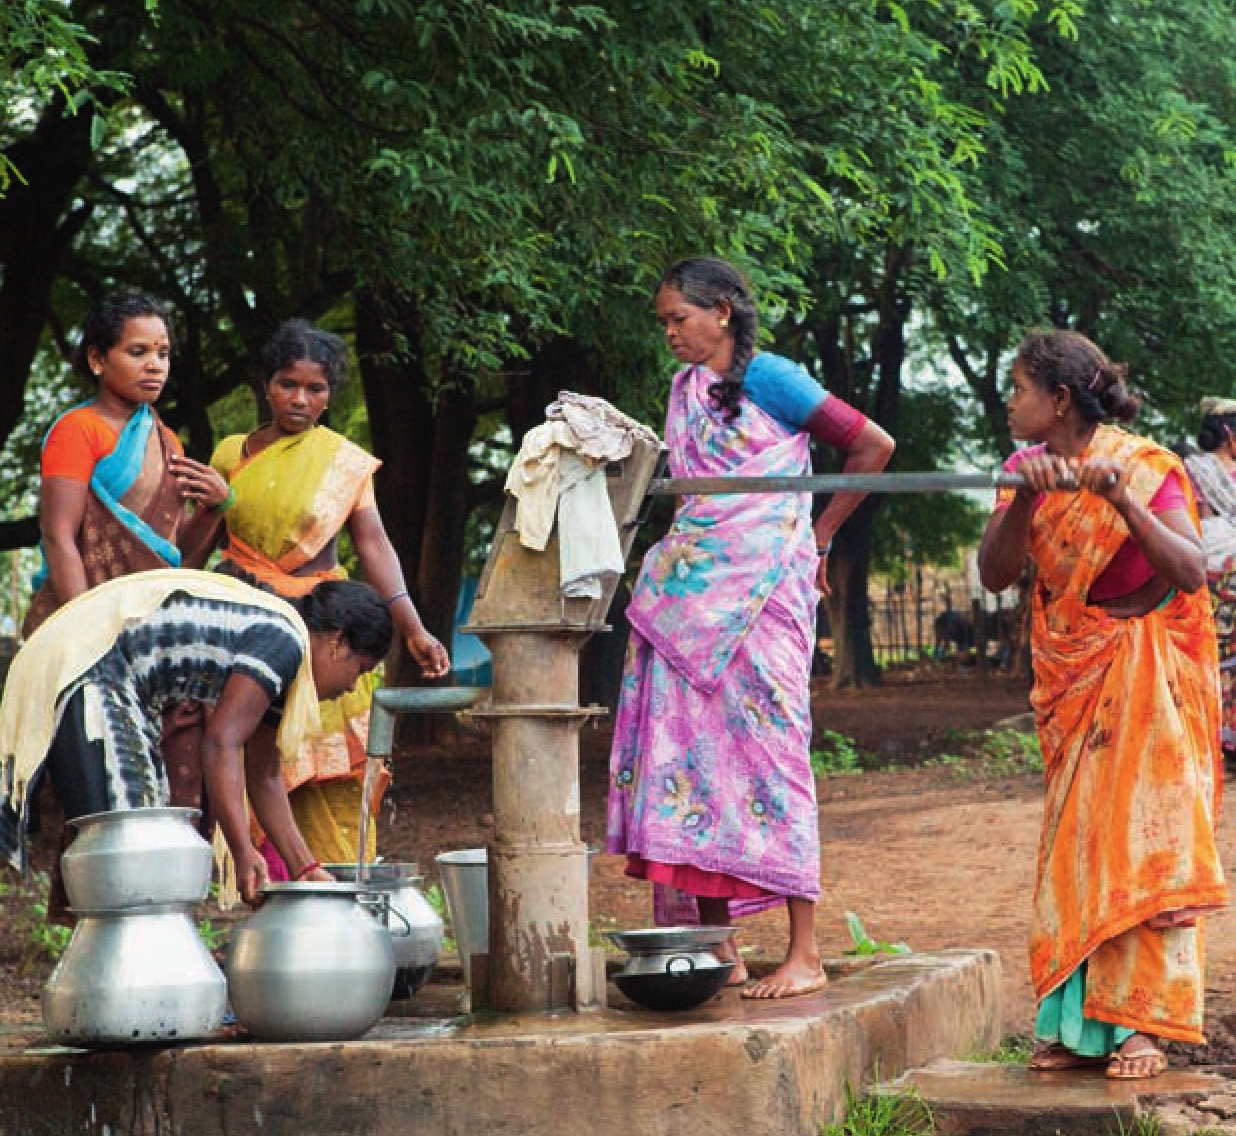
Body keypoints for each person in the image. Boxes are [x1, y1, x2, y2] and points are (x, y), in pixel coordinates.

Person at [606, 257, 895, 999]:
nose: (670, 334)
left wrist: (819, 535)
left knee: (775, 755)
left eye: (680, 318)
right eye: (664, 322)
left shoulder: (772, 378)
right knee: (688, 761)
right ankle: (720, 948)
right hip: (687, 603)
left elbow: (873, 445)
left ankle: (805, 954)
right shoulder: (684, 390)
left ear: (723, 311)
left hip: (766, 592)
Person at [977, 329, 1228, 1080]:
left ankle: (1141, 1027)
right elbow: (996, 573)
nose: (1009, 402)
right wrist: (1026, 498)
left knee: (1145, 848)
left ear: (1058, 399)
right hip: (1070, 678)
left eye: (1019, 388)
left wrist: (1119, 498)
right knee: (1077, 847)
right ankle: (1072, 1025)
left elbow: (1189, 570)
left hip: (1144, 677)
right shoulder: (1022, 471)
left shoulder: (1145, 465)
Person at [207, 319, 449, 870]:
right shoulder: (228, 455)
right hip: (245, 623)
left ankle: (337, 886)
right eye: (287, 384)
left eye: (315, 388)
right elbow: (202, 534)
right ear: (266, 385)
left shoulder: (344, 461)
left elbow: (374, 544)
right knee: (246, 753)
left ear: (330, 395)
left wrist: (412, 627)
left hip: (322, 631)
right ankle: (267, 891)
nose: (300, 399)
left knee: (328, 776)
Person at [0, 569, 393, 906]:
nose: (351, 687)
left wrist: (305, 868)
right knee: (129, 845)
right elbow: (221, 743)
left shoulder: (285, 661)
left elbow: (264, 776)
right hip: (91, 669)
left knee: (145, 842)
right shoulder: (284, 640)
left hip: (116, 682)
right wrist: (242, 850)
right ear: (337, 642)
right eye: (360, 669)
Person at [24, 289, 229, 636]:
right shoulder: (77, 430)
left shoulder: (167, 442)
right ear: (97, 359)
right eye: (138, 352)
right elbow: (59, 536)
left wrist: (214, 509)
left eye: (163, 354)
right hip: (81, 620)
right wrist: (87, 631)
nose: (155, 365)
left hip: (153, 624)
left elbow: (175, 554)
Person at [1183, 399, 1236, 759]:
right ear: (1230, 434)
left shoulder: (1191, 469)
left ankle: (1211, 737)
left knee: (1209, 657)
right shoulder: (1205, 470)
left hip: (1206, 572)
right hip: (1221, 573)